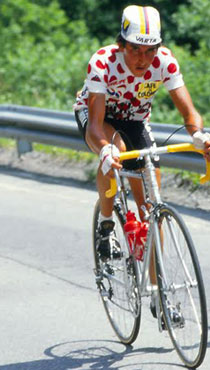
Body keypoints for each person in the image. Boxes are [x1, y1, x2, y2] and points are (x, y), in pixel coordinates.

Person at [74, 5, 210, 320]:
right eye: (135, 49)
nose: (142, 59)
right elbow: (95, 127)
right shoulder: (103, 62)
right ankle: (106, 224)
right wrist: (105, 149)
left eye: (150, 51)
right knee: (117, 149)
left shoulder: (165, 62)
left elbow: (189, 113)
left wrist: (199, 135)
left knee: (151, 208)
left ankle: (159, 297)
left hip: (135, 120)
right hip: (98, 117)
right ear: (122, 44)